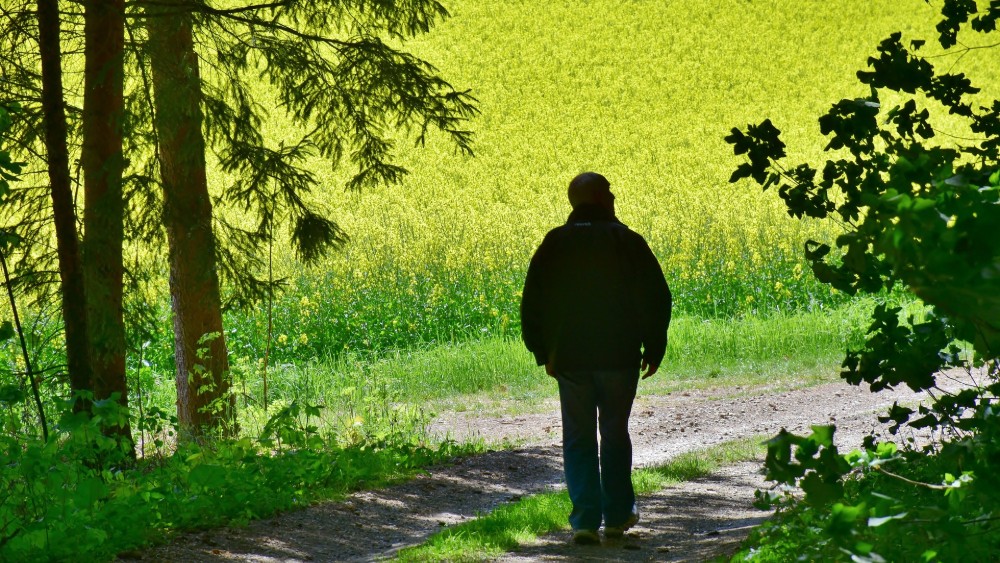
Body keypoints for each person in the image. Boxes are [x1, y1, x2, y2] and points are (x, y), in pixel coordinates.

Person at [520, 171, 672, 545]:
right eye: (610, 190)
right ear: (603, 199)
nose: (615, 195)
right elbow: (656, 298)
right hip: (619, 357)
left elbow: (533, 302)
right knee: (615, 434)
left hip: (569, 358)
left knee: (578, 438)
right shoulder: (627, 241)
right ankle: (618, 516)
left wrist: (543, 353)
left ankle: (585, 521)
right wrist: (653, 348)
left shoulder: (555, 242)